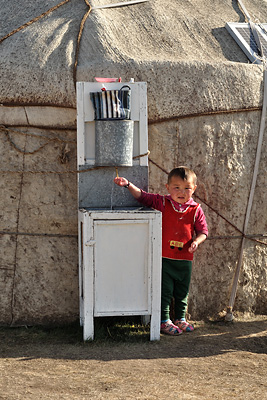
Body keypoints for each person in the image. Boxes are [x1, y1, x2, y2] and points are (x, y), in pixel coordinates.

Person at [114, 166, 208, 336]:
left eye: (187, 188)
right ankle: (164, 321)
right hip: (164, 258)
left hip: (185, 260)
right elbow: (143, 196)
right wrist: (128, 184)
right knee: (165, 292)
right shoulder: (163, 203)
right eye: (176, 187)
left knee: (182, 291)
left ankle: (180, 318)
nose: (182, 192)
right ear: (168, 188)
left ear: (194, 189)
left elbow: (203, 231)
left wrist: (197, 241)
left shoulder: (196, 210)